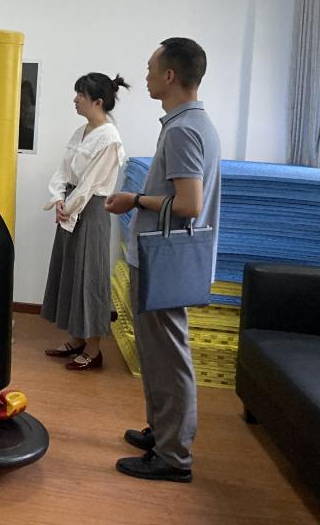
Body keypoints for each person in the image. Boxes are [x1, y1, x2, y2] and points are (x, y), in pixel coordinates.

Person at [105, 37, 221, 483]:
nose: (146, 76)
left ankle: (174, 457)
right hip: (159, 258)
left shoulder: (182, 130)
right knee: (155, 354)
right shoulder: (190, 123)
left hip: (164, 260)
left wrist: (134, 199)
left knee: (169, 357)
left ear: (170, 75)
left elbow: (189, 204)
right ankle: (162, 433)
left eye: (151, 68)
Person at [41, 73, 129, 371]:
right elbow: (63, 171)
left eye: (80, 94)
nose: (75, 99)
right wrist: (58, 198)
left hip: (90, 211)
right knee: (71, 272)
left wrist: (68, 207)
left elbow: (90, 184)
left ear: (98, 101)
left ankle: (94, 349)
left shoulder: (109, 138)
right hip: (71, 206)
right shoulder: (81, 131)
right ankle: (77, 338)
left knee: (89, 277)